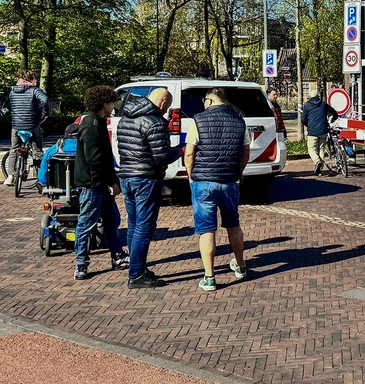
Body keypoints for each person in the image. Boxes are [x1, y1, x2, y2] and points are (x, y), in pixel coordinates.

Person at [184, 88, 250, 292]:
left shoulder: (198, 120)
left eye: (205, 100)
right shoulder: (239, 121)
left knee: (206, 229)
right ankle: (240, 266)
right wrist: (237, 171)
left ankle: (210, 277)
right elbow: (245, 152)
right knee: (233, 225)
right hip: (229, 181)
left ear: (211, 101)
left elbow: (189, 153)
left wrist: (190, 176)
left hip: (203, 182)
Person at [117, 88, 180, 289]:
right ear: (162, 103)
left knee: (134, 224)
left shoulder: (126, 117)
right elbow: (161, 156)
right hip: (146, 178)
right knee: (144, 227)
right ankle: (136, 274)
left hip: (127, 176)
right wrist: (181, 150)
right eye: (166, 106)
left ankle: (136, 267)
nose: (165, 110)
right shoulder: (154, 122)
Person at [72, 86, 129, 280]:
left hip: (97, 182)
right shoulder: (92, 125)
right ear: (104, 104)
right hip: (93, 184)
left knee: (111, 220)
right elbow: (95, 159)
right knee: (87, 222)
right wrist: (110, 182)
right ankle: (81, 263)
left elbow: (102, 158)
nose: (113, 106)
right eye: (111, 102)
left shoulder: (95, 121)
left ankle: (117, 255)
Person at [5, 69, 49, 186]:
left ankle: (10, 176)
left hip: (16, 126)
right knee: (37, 150)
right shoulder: (35, 90)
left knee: (14, 148)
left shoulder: (12, 92)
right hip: (32, 124)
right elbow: (45, 100)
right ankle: (41, 177)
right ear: (31, 80)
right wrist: (45, 114)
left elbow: (9, 106)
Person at [301, 88, 338, 176]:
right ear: (318, 96)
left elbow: (303, 119)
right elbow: (333, 112)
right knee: (321, 149)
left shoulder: (307, 106)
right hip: (323, 130)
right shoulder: (323, 104)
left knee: (311, 149)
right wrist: (334, 118)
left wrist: (308, 125)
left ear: (310, 97)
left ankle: (317, 162)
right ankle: (319, 170)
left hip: (312, 131)